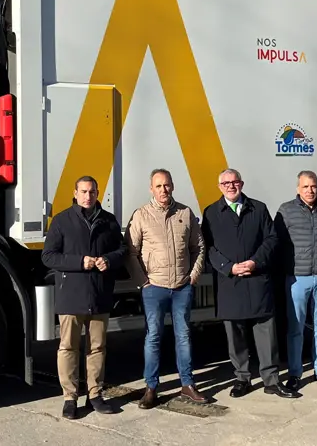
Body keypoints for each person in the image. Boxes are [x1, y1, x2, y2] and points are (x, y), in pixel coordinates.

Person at [201, 168, 300, 399]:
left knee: (266, 332)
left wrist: (255, 262)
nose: (230, 186)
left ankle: (271, 380)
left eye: (235, 182)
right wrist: (229, 267)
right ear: (219, 187)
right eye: (225, 183)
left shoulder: (259, 208)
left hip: (257, 278)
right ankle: (242, 378)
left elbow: (272, 238)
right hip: (230, 281)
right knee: (235, 335)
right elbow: (208, 247)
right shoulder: (211, 212)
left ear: (242, 183)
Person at [42, 175, 128, 420]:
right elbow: (48, 256)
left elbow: (122, 250)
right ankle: (70, 398)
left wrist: (108, 260)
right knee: (68, 346)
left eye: (92, 192)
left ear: (98, 192)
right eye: (83, 191)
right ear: (75, 193)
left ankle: (95, 395)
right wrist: (80, 262)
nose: (88, 196)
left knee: (97, 347)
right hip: (71, 294)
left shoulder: (109, 221)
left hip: (99, 293)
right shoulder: (62, 221)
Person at [125, 168, 210, 409]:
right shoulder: (141, 215)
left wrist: (193, 276)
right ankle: (151, 387)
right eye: (159, 186)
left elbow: (199, 247)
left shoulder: (184, 212)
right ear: (151, 188)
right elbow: (130, 252)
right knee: (153, 337)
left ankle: (188, 383)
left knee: (183, 336)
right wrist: (143, 281)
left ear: (173, 186)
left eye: (167, 185)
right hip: (155, 287)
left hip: (182, 286)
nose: (164, 190)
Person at [274, 170, 317, 389]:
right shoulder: (286, 211)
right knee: (295, 328)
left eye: (313, 186)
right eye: (305, 186)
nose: (310, 190)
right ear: (298, 189)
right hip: (298, 278)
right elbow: (279, 242)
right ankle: (295, 373)